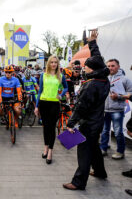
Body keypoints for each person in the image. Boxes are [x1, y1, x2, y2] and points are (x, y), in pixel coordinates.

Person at [63, 31, 110, 190]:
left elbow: (81, 107)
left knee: (84, 152)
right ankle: (100, 172)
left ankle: (78, 182)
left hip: (88, 123)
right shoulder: (103, 76)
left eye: (86, 66)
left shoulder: (91, 85)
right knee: (94, 147)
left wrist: (70, 123)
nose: (84, 68)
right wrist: (92, 43)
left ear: (92, 69)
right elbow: (98, 59)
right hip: (98, 121)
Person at [34, 55, 68, 164]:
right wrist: (36, 106)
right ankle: (45, 147)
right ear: (48, 63)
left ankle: (50, 151)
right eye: (51, 62)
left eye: (55, 62)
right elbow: (39, 91)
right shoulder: (43, 75)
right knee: (45, 127)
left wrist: (61, 95)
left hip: (54, 104)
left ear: (58, 64)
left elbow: (66, 87)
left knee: (52, 128)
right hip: (43, 103)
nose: (53, 64)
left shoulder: (60, 76)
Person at [100, 58, 132, 159]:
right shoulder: (104, 78)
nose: (110, 68)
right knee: (105, 131)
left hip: (117, 110)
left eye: (113, 66)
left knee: (118, 132)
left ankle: (120, 152)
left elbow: (130, 93)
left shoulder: (125, 79)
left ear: (118, 66)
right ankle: (103, 148)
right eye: (108, 66)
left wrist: (118, 96)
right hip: (105, 109)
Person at [0, 65, 22, 140]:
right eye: (6, 72)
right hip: (2, 98)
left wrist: (20, 100)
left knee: (18, 110)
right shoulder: (0, 79)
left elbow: (19, 92)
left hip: (12, 98)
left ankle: (15, 119)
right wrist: (0, 102)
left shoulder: (16, 80)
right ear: (4, 72)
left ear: (12, 72)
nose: (8, 74)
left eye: (9, 72)